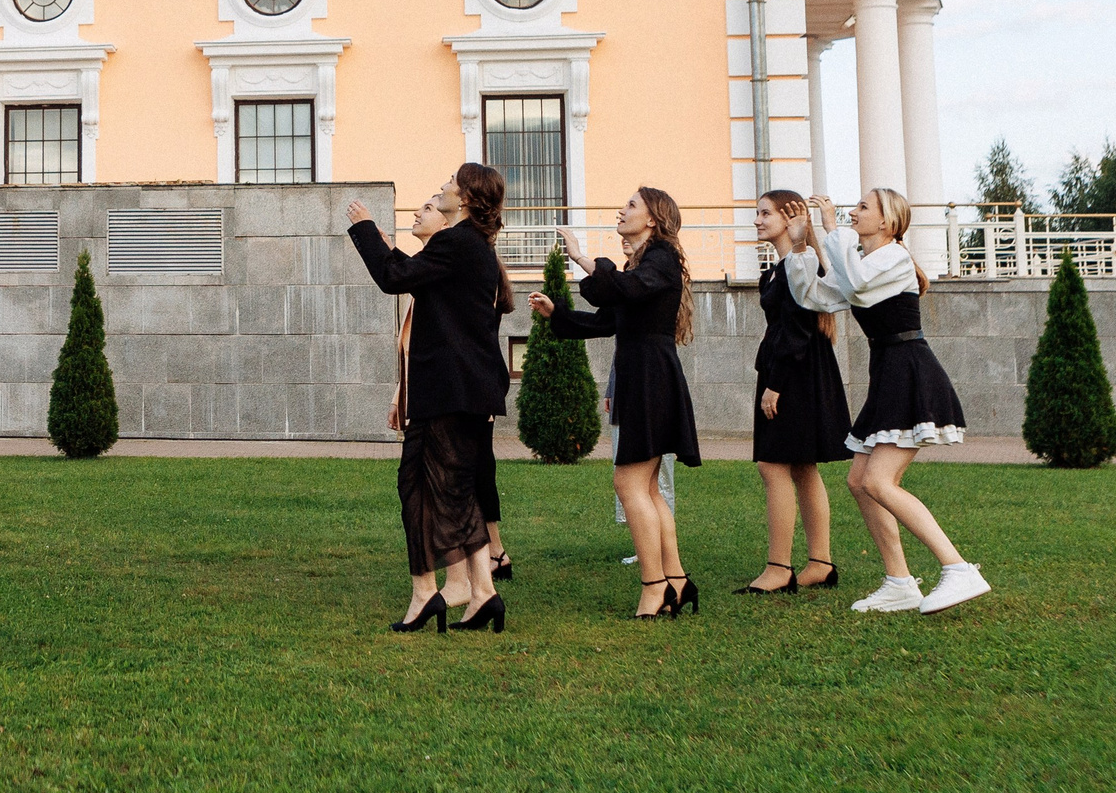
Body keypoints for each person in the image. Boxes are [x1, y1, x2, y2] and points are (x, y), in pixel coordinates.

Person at [804, 189, 990, 615]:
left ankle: (958, 568)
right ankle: (900, 582)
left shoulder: (894, 257)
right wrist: (799, 248)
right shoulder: (865, 261)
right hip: (888, 373)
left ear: (887, 222)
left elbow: (858, 284)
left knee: (878, 482)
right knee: (860, 481)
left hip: (910, 372)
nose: (852, 212)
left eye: (863, 207)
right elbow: (818, 296)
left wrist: (830, 228)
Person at [346, 162, 513, 636]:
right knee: (452, 491)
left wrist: (365, 230)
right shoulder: (469, 246)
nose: (442, 187)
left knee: (420, 489)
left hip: (449, 391)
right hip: (460, 390)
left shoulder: (457, 242)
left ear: (466, 198)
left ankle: (428, 594)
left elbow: (393, 277)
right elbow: (415, 276)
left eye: (450, 184)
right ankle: (481, 593)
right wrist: (386, 246)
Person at [532, 187, 702, 620]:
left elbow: (618, 289)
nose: (620, 210)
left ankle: (655, 587)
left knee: (629, 484)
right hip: (642, 376)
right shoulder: (642, 265)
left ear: (653, 218)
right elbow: (606, 320)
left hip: (650, 377)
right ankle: (676, 581)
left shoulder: (661, 257)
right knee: (646, 487)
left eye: (631, 205)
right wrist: (558, 315)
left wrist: (581, 257)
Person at [736, 190, 853, 594]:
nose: (757, 220)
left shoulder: (800, 265)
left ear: (790, 218)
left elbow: (798, 330)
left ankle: (779, 569)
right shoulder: (777, 269)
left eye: (764, 213)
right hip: (793, 370)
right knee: (803, 467)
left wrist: (775, 384)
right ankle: (820, 563)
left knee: (773, 466)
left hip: (795, 373)